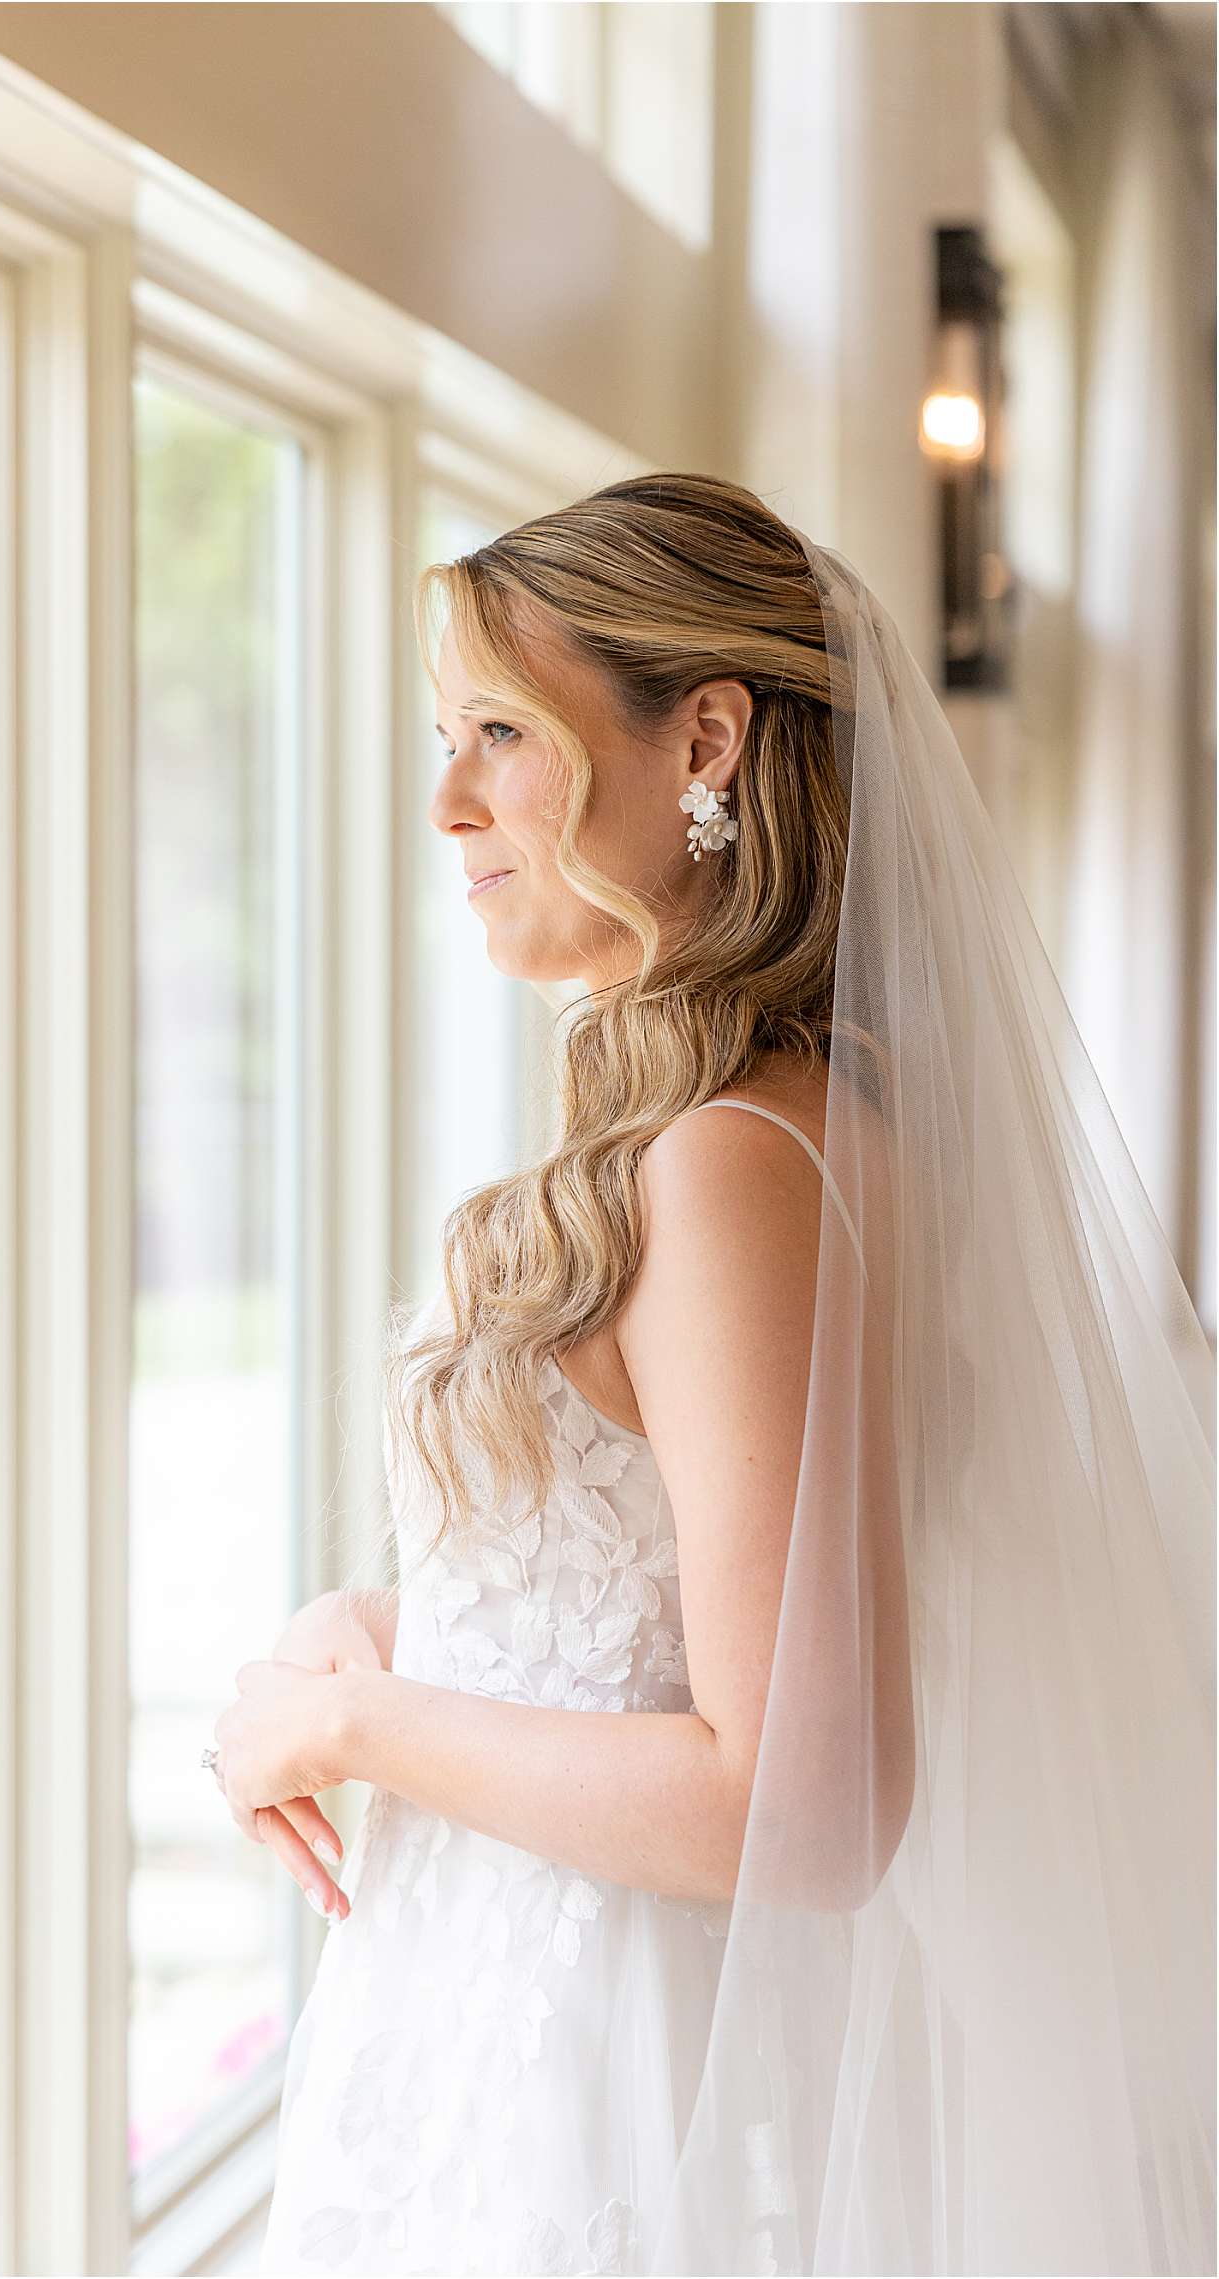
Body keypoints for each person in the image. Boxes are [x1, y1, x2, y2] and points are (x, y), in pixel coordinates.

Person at [206, 474, 1216, 2277]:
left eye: (500, 735)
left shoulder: (738, 1159)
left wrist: (358, 1728)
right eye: (449, 738)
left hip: (605, 2104)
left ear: (708, 741)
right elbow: (662, 1603)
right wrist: (381, 1628)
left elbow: (803, 1807)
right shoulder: (751, 1120)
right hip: (518, 2042)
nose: (447, 803)